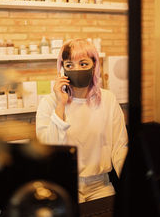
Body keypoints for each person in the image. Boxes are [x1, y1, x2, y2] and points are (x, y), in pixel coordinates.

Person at [36, 38, 128, 203]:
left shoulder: (108, 100)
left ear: (94, 66)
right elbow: (49, 150)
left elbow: (120, 147)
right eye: (70, 65)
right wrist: (60, 105)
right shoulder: (49, 103)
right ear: (62, 69)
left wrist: (131, 183)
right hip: (63, 185)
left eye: (83, 64)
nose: (76, 69)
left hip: (100, 185)